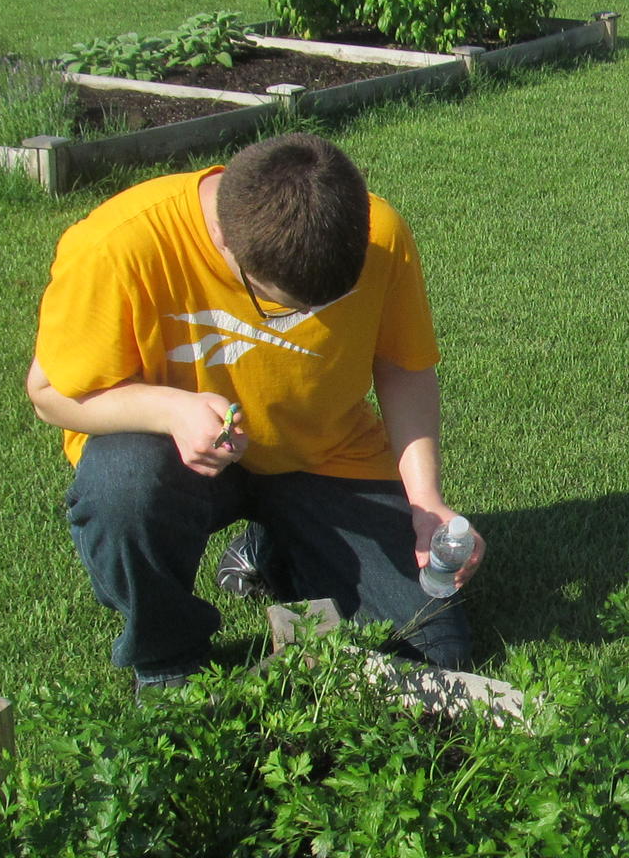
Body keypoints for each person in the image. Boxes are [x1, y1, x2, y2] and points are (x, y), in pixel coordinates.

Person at [24, 132, 479, 690]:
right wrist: (169, 409)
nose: (311, 317)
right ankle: (167, 658)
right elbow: (49, 393)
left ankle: (272, 551)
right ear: (223, 241)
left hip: (322, 455)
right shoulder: (116, 245)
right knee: (122, 485)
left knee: (433, 655)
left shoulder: (379, 231)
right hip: (173, 463)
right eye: (284, 307)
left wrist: (424, 499)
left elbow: (402, 366)